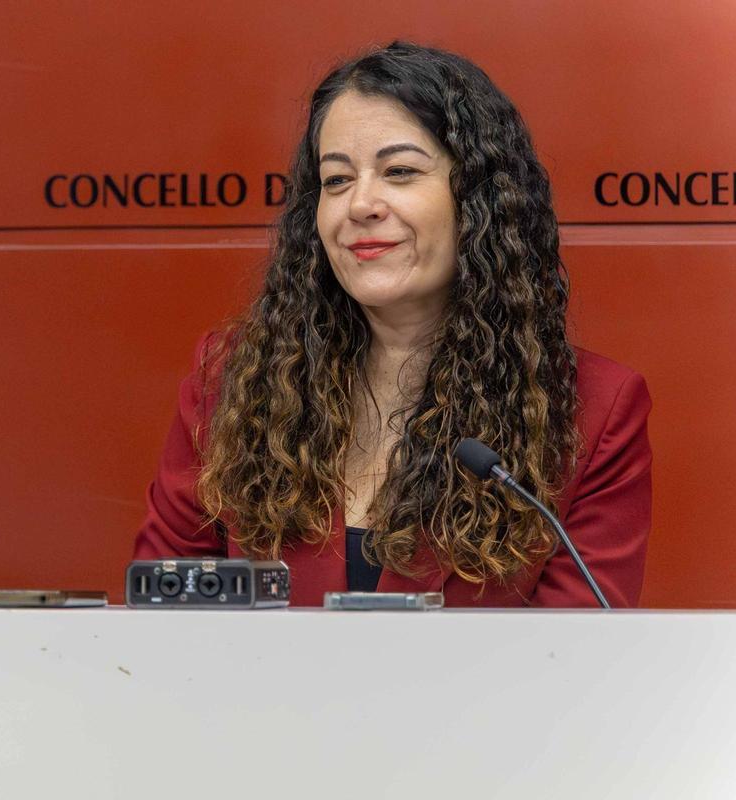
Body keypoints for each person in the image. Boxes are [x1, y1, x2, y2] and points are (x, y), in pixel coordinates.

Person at [133, 42, 651, 608]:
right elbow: (165, 617)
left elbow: (573, 665)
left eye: (400, 171)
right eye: (335, 180)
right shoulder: (231, 382)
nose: (361, 204)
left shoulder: (595, 412)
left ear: (479, 201)